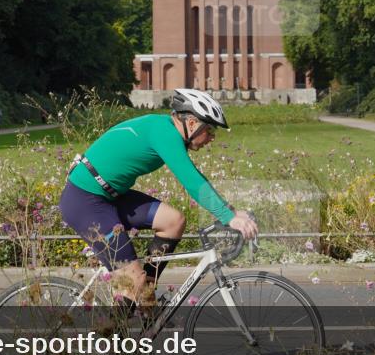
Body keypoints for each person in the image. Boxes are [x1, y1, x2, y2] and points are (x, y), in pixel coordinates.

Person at [59, 88, 257, 314]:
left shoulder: (164, 129)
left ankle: (146, 299)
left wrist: (230, 212)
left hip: (110, 196)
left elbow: (196, 177)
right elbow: (191, 180)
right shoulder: (164, 132)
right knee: (131, 280)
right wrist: (228, 217)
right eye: (210, 130)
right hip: (85, 201)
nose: (212, 138)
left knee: (173, 221)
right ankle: (116, 342)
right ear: (192, 123)